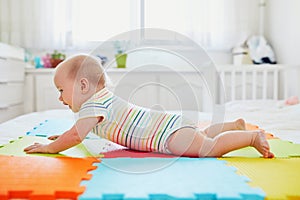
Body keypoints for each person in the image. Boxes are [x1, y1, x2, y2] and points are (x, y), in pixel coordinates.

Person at [24, 54, 274, 158]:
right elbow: (78, 131)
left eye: (61, 91)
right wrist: (63, 137)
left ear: (83, 86)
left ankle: (250, 137)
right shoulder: (99, 101)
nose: (60, 98)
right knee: (201, 135)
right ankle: (232, 125)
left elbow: (76, 135)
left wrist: (51, 148)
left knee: (208, 149)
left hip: (166, 135)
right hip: (169, 125)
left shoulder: (92, 107)